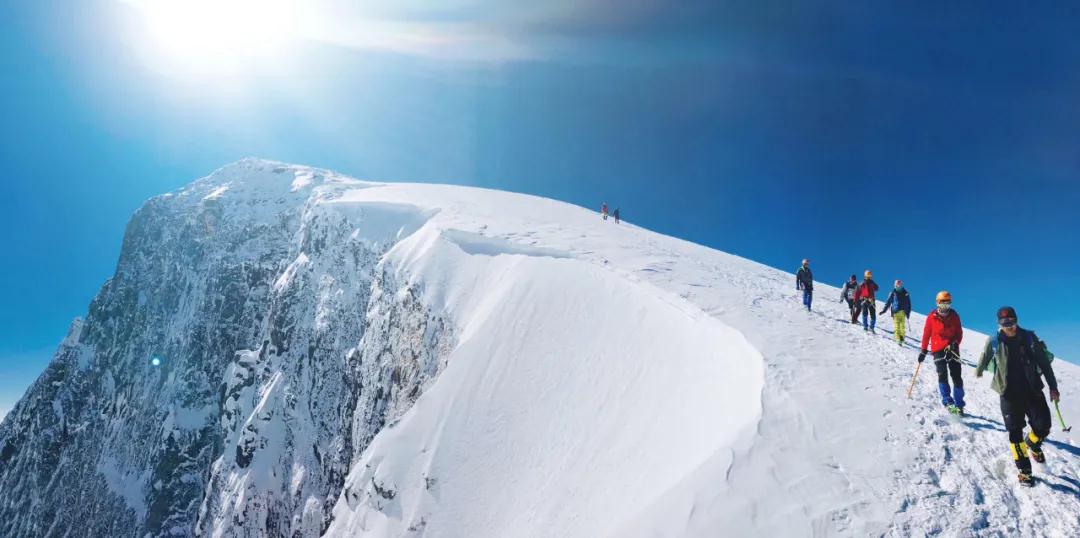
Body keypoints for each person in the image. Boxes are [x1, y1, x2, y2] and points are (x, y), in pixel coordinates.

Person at [975, 306, 1061, 486]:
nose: (1010, 326)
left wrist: (1053, 387)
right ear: (1000, 324)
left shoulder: (1029, 338)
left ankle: (1033, 443)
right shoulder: (994, 341)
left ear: (1016, 320)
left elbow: (1045, 365)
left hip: (1032, 391)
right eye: (1005, 324)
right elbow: (985, 356)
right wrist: (979, 370)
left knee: (1043, 426)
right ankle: (1025, 471)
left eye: (1012, 322)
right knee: (1015, 433)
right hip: (1008, 394)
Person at [918, 291, 965, 414]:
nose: (945, 305)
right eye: (942, 302)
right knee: (942, 374)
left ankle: (959, 404)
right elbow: (927, 333)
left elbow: (959, 332)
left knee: (956, 376)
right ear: (937, 303)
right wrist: (923, 349)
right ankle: (948, 402)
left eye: (947, 302)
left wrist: (955, 344)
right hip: (937, 348)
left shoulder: (954, 315)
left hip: (952, 348)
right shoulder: (931, 316)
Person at [880, 280, 912, 346]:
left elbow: (909, 304)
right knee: (897, 326)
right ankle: (898, 339)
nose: (898, 286)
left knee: (902, 327)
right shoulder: (893, 293)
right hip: (896, 312)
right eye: (896, 285)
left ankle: (902, 338)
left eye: (899, 284)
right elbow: (888, 302)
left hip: (903, 312)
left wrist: (908, 313)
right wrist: (884, 310)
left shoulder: (905, 293)